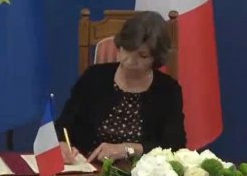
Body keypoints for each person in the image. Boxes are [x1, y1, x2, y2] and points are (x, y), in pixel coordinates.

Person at [55, 11, 186, 163]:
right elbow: (64, 125)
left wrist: (129, 149)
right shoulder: (93, 77)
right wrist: (62, 144)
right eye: (126, 49)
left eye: (142, 56)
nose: (129, 61)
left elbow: (175, 146)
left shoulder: (168, 90)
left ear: (155, 58)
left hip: (140, 173)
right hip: (89, 167)